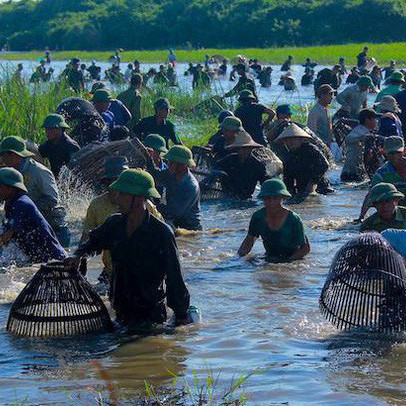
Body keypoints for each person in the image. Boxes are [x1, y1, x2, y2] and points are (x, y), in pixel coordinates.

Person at [68, 168, 190, 326]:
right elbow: (92, 243)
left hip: (150, 317)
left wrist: (181, 315)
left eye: (122, 194)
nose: (116, 199)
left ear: (139, 199)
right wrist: (77, 256)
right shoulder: (114, 224)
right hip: (120, 311)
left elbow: (175, 279)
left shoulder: (161, 234)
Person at [82, 157, 162, 282]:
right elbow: (87, 239)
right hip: (111, 271)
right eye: (114, 182)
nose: (118, 189)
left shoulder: (146, 207)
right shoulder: (97, 205)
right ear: (107, 182)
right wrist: (79, 261)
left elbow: (160, 246)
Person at [0, 136, 70, 247]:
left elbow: (52, 200)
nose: (2, 160)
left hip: (54, 228)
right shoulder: (10, 174)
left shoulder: (39, 171)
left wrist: (26, 210)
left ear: (13, 155)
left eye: (3, 156)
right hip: (29, 227)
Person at [0, 167, 66, 263]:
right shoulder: (11, 203)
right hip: (40, 259)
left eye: (0, 187)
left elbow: (6, 236)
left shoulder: (20, 204)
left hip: (54, 260)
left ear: (10, 188)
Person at [238, 178, 310, 261]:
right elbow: (249, 241)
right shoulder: (258, 217)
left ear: (283, 198)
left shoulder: (294, 219)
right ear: (263, 198)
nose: (272, 202)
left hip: (292, 259)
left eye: (276, 198)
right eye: (268, 198)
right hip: (269, 257)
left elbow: (305, 248)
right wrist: (237, 259)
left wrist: (286, 261)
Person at [146, 145, 202, 230]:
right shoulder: (171, 174)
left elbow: (175, 212)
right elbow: (155, 175)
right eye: (169, 162)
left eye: (171, 163)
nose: (168, 165)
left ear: (182, 165)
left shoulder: (190, 186)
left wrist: (153, 205)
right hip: (175, 221)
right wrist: (149, 159)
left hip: (190, 227)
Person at [275, 124, 330, 201]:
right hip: (302, 191)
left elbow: (324, 165)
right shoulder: (288, 157)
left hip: (321, 188)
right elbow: (288, 180)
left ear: (301, 139)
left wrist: (312, 183)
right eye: (287, 139)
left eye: (293, 138)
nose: (290, 142)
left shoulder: (311, 149)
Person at [358, 137, 406, 221]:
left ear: (404, 151)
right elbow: (371, 194)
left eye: (397, 152)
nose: (394, 156)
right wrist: (361, 217)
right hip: (396, 206)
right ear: (384, 153)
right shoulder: (382, 173)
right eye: (391, 153)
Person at [215, 130, 268, 200]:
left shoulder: (258, 165)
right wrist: (216, 173)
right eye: (240, 149)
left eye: (246, 148)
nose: (243, 151)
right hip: (227, 196)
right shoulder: (229, 159)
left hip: (246, 198)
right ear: (237, 149)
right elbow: (216, 166)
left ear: (251, 149)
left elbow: (265, 183)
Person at [341, 109, 380, 182]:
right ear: (367, 120)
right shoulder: (359, 131)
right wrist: (362, 137)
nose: (376, 122)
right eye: (374, 119)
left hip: (357, 171)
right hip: (350, 173)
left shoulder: (368, 131)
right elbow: (348, 139)